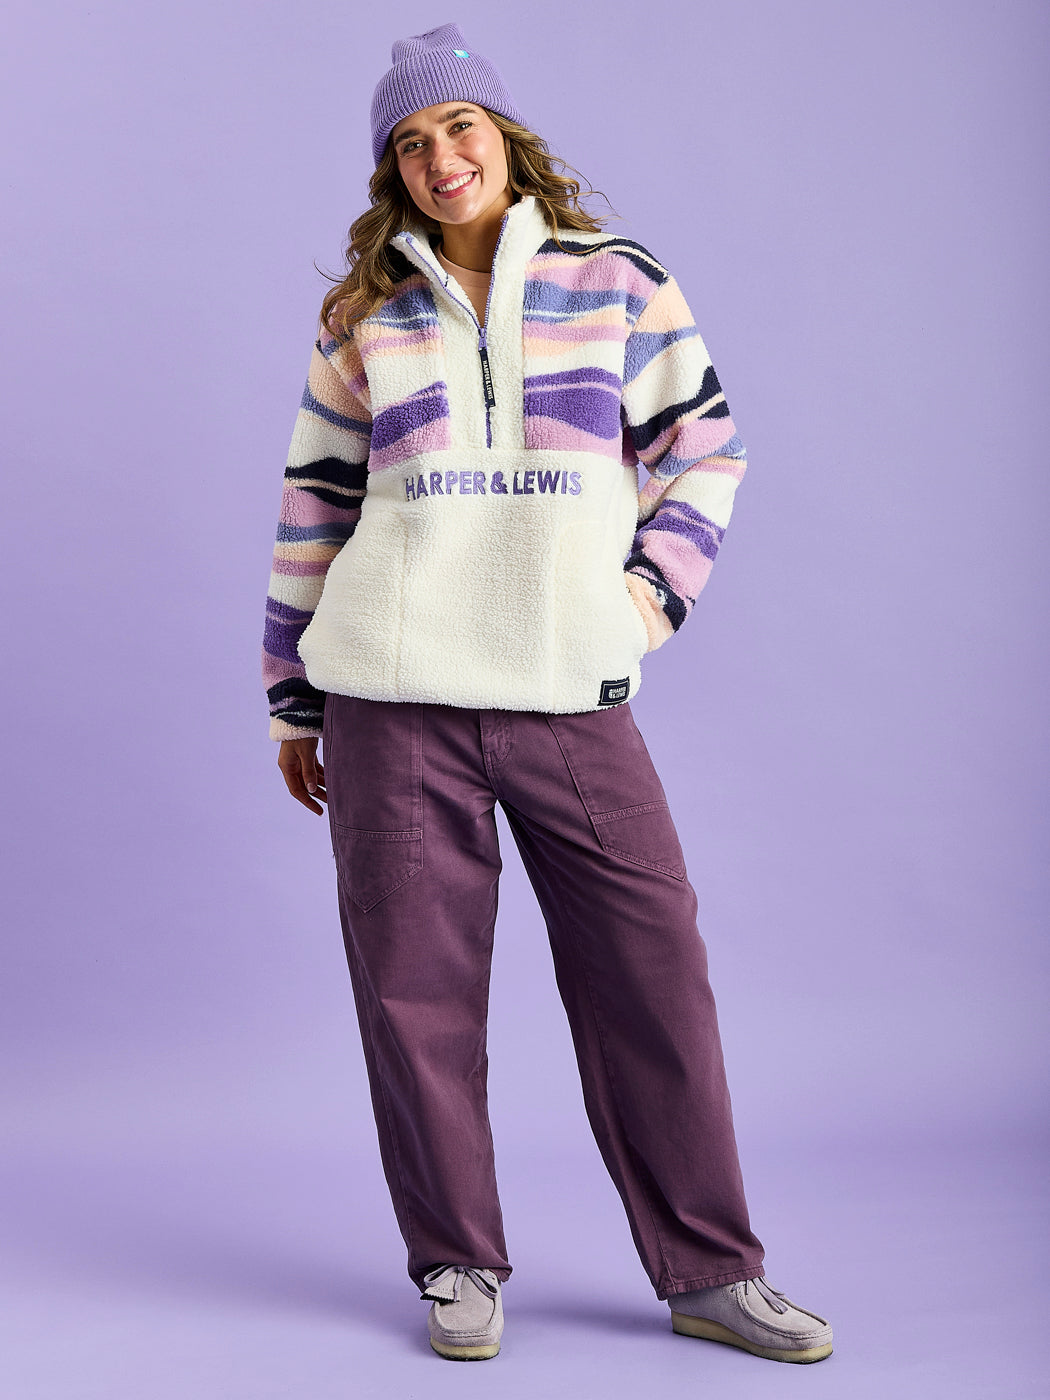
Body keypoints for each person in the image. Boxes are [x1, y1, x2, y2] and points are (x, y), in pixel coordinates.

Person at [261, 22, 833, 1366]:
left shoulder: (616, 281)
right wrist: (293, 697)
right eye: (411, 143)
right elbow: (314, 506)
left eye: (459, 127)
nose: (440, 157)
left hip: (565, 690)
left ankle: (710, 1270)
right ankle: (455, 1263)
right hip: (390, 697)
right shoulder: (366, 319)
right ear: (392, 171)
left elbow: (707, 451)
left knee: (653, 973)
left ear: (505, 138)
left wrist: (638, 605)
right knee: (413, 994)